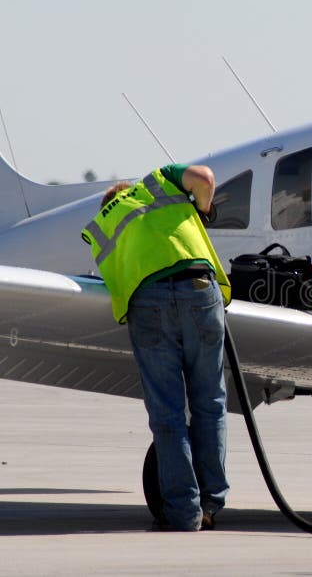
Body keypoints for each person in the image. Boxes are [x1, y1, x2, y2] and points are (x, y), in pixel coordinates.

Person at [81, 164, 232, 532]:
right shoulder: (159, 183)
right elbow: (205, 178)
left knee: (168, 413)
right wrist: (204, 209)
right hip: (199, 288)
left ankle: (184, 513)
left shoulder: (102, 225)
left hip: (148, 303)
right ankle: (211, 504)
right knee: (210, 403)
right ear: (131, 191)